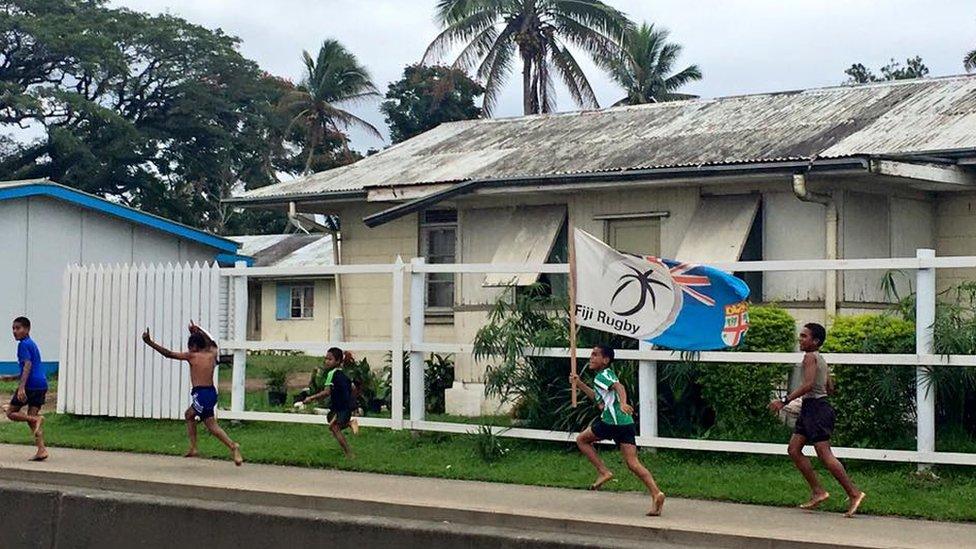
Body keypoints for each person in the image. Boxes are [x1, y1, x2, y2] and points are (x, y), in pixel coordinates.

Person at [769, 322, 866, 517]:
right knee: (794, 449)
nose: (800, 339)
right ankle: (818, 491)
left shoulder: (809, 358)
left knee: (824, 454)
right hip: (814, 408)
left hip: (816, 409)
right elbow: (830, 387)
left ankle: (854, 493)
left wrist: (784, 400)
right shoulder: (820, 358)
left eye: (804, 336)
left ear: (815, 341)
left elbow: (808, 385)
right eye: (801, 335)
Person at [571, 345, 666, 516]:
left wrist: (622, 403)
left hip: (611, 421)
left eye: (595, 355)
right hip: (626, 423)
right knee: (633, 463)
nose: (591, 358)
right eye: (591, 355)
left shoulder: (603, 376)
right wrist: (579, 384)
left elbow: (619, 387)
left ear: (605, 360)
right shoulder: (604, 377)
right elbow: (598, 399)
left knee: (581, 440)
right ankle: (656, 493)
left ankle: (603, 471)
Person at [142, 321, 242, 466]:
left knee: (211, 425)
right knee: (189, 415)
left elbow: (168, 354)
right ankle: (194, 447)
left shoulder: (192, 356)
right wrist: (198, 331)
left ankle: (233, 446)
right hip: (210, 393)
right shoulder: (212, 354)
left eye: (190, 346)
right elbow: (212, 341)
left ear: (194, 346)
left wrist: (150, 342)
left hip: (201, 394)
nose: (189, 348)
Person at [295, 347, 357, 458]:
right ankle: (349, 424)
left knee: (334, 428)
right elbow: (352, 388)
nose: (326, 361)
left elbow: (326, 392)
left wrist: (311, 398)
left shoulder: (331, 374)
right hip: (342, 406)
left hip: (341, 407)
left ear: (337, 361)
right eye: (326, 359)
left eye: (330, 359)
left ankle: (349, 454)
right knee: (332, 423)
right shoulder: (343, 373)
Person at [5, 317, 48, 461]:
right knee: (32, 421)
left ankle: (36, 418)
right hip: (41, 384)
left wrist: (22, 387)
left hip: (30, 385)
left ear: (27, 329)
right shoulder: (32, 344)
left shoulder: (23, 344)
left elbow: (28, 365)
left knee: (11, 412)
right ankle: (41, 450)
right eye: (13, 328)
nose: (15, 331)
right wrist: (12, 377)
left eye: (18, 328)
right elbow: (29, 367)